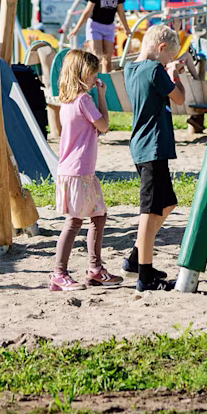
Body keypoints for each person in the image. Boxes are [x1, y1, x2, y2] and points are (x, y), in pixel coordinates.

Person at [121, 23, 187, 291]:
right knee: (149, 211)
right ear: (161, 49)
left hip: (142, 146)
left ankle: (137, 258)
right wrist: (175, 75)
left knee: (167, 203)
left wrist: (167, 71)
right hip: (153, 147)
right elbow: (180, 99)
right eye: (169, 55)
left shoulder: (130, 68)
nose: (169, 60)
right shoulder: (155, 70)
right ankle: (145, 276)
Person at [49, 49, 121, 290]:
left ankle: (95, 268)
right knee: (74, 222)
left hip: (78, 170)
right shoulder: (83, 100)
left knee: (99, 215)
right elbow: (104, 124)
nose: (95, 79)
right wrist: (101, 95)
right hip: (79, 171)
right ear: (80, 75)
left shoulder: (66, 101)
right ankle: (59, 273)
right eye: (92, 75)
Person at [69, 0, 129, 68]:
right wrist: (76, 29)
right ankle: (96, 79)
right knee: (98, 57)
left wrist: (127, 28)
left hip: (109, 27)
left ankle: (105, 80)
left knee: (107, 59)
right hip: (95, 26)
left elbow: (121, 13)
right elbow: (87, 12)